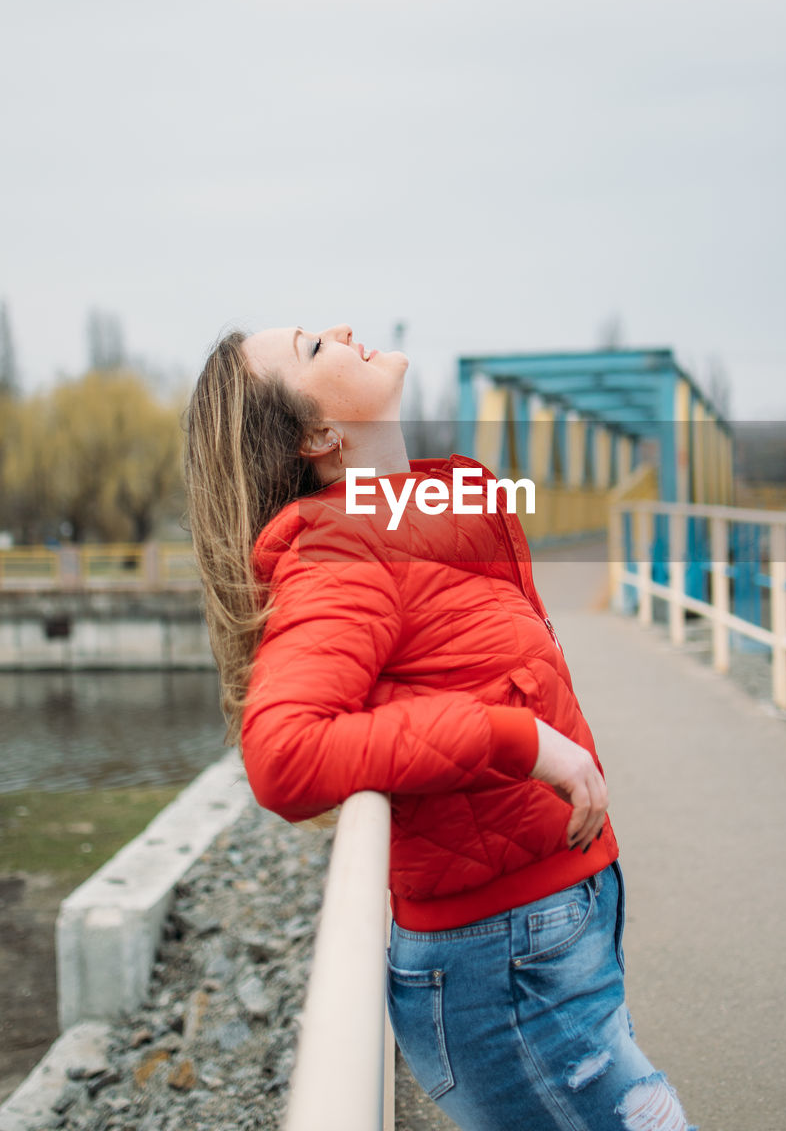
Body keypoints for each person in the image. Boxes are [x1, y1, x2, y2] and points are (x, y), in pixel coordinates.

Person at [184, 322, 694, 1131]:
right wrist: (512, 739)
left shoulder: (434, 506)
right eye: (315, 348)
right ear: (320, 433)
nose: (343, 330)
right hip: (505, 957)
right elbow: (282, 756)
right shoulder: (343, 549)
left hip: (558, 914)